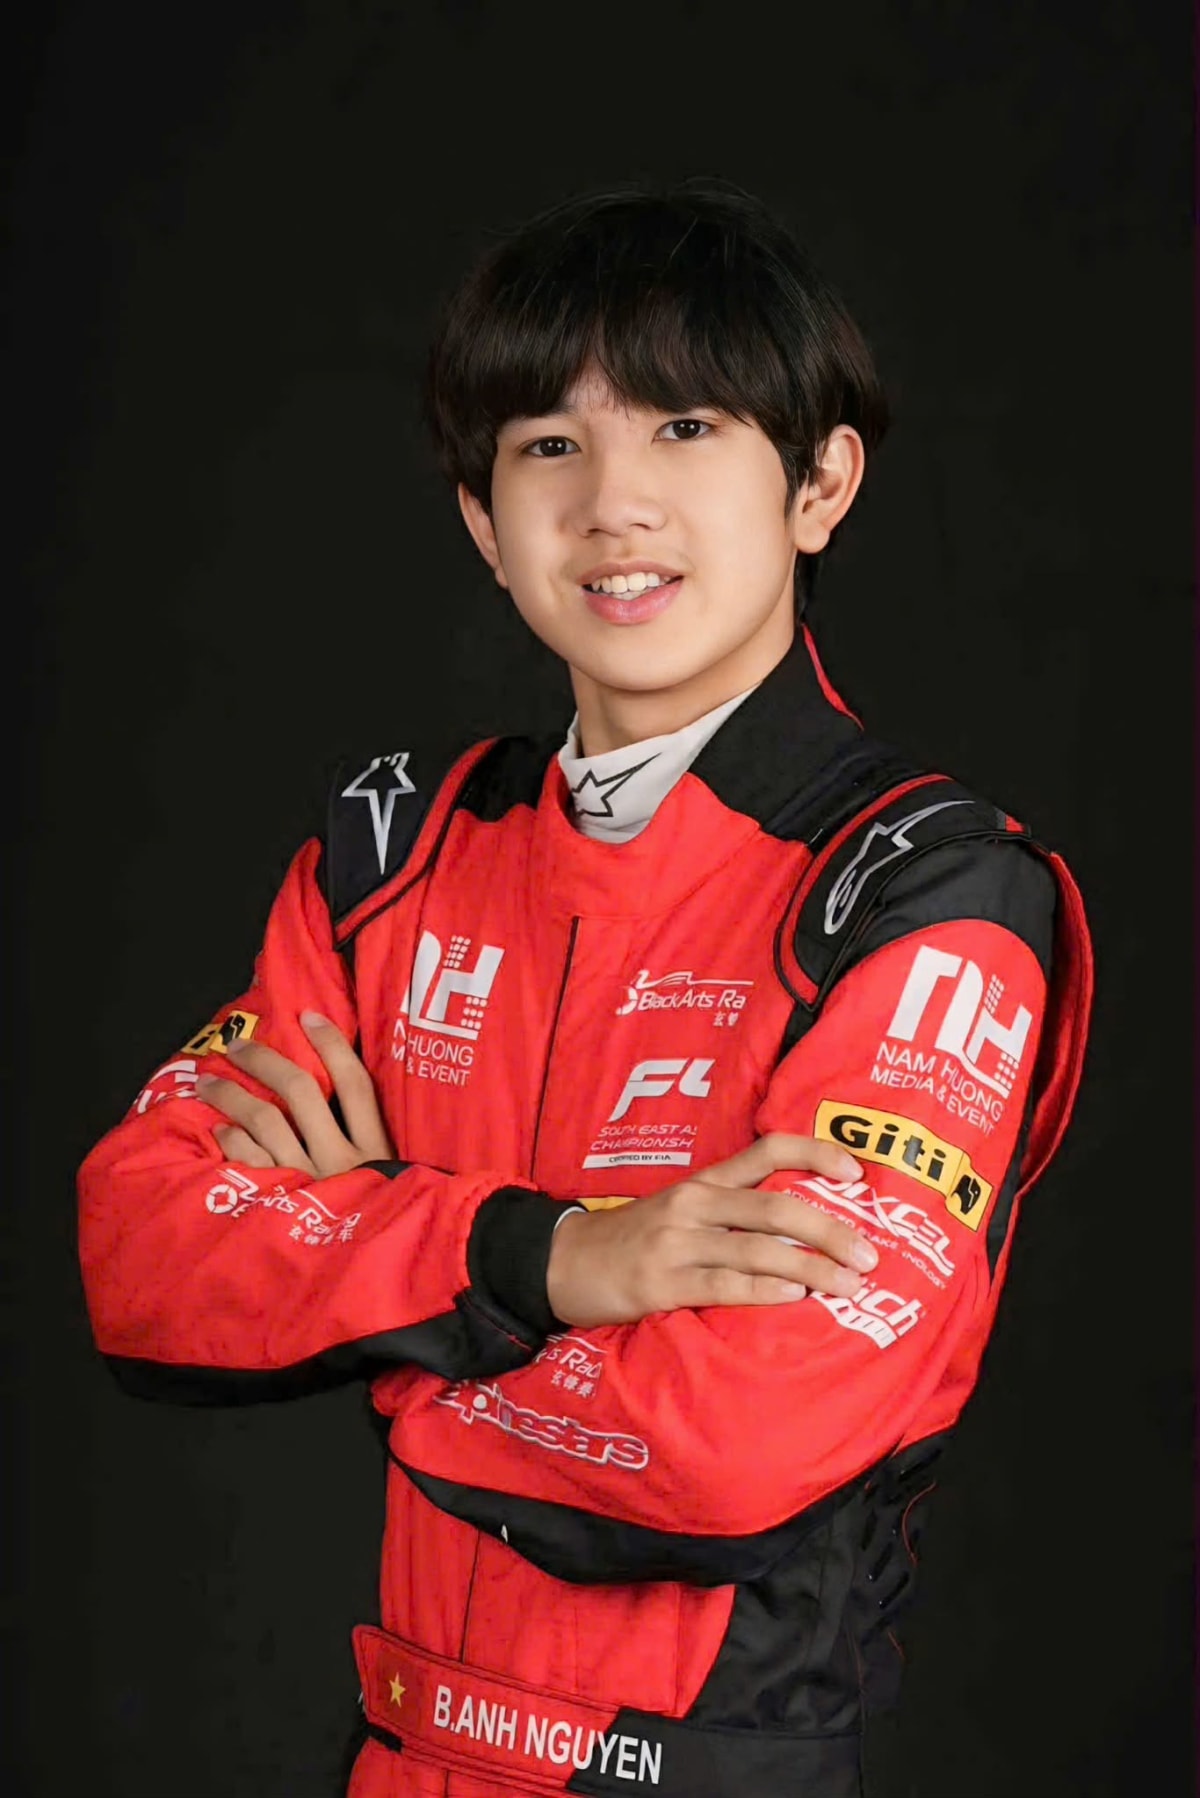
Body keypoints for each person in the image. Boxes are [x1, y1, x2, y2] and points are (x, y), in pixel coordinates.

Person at [77, 179, 1093, 1798]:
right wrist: (545, 1257)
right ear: (485, 523)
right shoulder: (395, 851)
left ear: (821, 482)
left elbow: (734, 1443)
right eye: (550, 444)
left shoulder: (924, 889)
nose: (614, 504)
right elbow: (140, 1249)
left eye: (686, 427)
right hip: (393, 1760)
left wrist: (382, 1325)